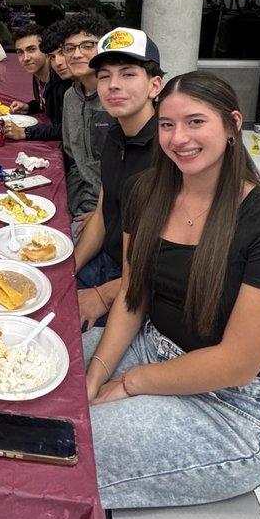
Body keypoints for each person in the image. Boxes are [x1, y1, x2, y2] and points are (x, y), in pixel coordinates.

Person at [83, 71, 260, 509]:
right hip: (153, 346)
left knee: (74, 445)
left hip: (232, 406)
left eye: (195, 122)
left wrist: (131, 382)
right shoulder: (147, 191)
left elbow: (237, 364)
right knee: (53, 381)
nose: (178, 138)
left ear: (231, 125)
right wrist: (98, 370)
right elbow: (134, 296)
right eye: (167, 125)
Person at [73, 27, 163, 330]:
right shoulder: (114, 134)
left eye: (127, 74)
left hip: (143, 291)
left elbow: (171, 264)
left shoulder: (169, 152)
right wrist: (70, 267)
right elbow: (102, 212)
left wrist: (103, 295)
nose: (113, 85)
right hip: (106, 260)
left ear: (154, 86)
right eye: (104, 76)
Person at [58, 12, 111, 221]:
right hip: (76, 200)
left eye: (87, 46)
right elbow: (73, 159)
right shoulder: (71, 97)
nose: (76, 54)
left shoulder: (117, 99)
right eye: (69, 48)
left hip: (109, 211)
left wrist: (101, 215)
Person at [3, 21, 71, 143]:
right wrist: (30, 107)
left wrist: (26, 132)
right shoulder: (38, 74)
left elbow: (69, 129)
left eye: (31, 50)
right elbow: (48, 102)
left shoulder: (64, 81)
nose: (25, 58)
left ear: (46, 49)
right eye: (20, 52)